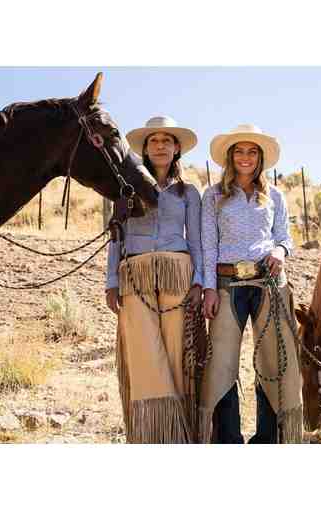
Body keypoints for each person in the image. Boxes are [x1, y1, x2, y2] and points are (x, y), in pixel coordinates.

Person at [199, 124, 302, 443]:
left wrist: (280, 251)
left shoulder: (275, 195)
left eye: (252, 152)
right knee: (221, 363)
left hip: (268, 282)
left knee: (272, 361)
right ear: (231, 157)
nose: (246, 157)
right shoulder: (213, 195)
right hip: (227, 283)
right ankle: (227, 439)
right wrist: (209, 288)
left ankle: (268, 439)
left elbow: (284, 236)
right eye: (240, 152)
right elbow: (208, 245)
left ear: (260, 158)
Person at [106, 115, 203, 443]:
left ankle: (180, 433)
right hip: (135, 274)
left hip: (178, 276)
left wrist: (199, 282)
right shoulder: (124, 188)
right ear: (145, 149)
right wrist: (111, 281)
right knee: (144, 355)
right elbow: (116, 237)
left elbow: (197, 241)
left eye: (166, 141)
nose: (160, 146)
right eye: (154, 141)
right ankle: (151, 435)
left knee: (178, 356)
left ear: (176, 149)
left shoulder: (189, 193)